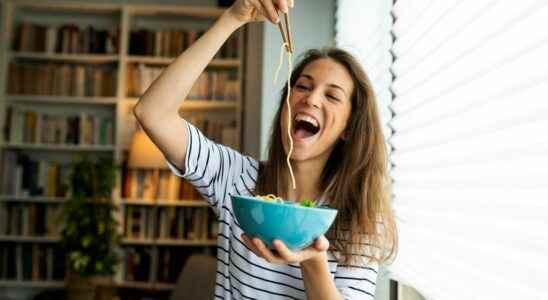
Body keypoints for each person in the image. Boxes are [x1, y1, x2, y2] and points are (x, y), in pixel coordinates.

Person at [133, 0, 397, 299]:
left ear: (349, 129)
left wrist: (312, 260)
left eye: (332, 96)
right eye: (303, 86)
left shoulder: (359, 217)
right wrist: (233, 18)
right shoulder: (238, 179)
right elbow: (152, 113)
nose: (311, 99)